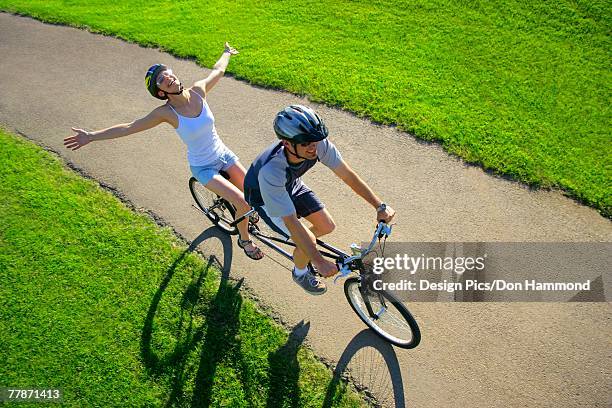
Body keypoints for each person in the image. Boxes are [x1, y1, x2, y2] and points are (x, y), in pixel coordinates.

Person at [63, 42, 264, 260]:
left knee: (254, 193)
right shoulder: (166, 113)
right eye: (161, 79)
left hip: (224, 155)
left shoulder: (198, 92)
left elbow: (218, 71)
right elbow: (130, 127)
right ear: (161, 92)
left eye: (167, 73)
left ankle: (244, 215)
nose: (167, 77)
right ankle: (244, 239)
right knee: (242, 203)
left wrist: (226, 53)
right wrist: (91, 136)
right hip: (204, 168)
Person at [244, 105, 395, 295]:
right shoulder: (271, 171)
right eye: (306, 143)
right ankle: (300, 273)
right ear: (287, 144)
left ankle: (305, 248)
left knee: (327, 226)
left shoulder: (317, 144)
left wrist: (379, 206)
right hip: (264, 196)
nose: (313, 147)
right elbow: (291, 221)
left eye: (315, 140)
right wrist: (318, 260)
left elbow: (348, 176)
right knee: (305, 242)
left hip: (290, 184)